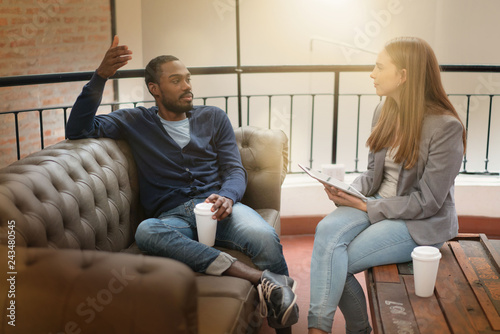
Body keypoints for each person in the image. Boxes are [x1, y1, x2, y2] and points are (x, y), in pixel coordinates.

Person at [66, 36, 299, 332]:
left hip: (220, 209)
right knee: (147, 231)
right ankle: (259, 279)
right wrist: (100, 77)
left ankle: (283, 324)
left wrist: (227, 197)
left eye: (187, 79)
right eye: (176, 80)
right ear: (155, 89)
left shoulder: (213, 117)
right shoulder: (135, 120)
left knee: (264, 237)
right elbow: (78, 129)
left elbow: (234, 170)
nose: (187, 86)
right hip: (174, 217)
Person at [307, 36, 466, 334]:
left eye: (380, 67)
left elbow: (428, 202)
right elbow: (373, 174)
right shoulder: (384, 111)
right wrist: (349, 190)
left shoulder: (446, 127)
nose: (372, 73)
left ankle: (350, 330)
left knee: (331, 264)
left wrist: (366, 205)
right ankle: (325, 328)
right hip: (377, 201)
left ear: (404, 75)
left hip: (420, 221)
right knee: (326, 232)